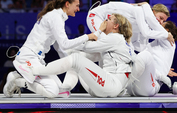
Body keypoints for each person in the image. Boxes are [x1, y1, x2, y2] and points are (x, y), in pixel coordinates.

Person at [5, 13, 136, 98]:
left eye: (109, 19)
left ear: (115, 25)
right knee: (78, 57)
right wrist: (63, 47)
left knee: (77, 58)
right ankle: (64, 89)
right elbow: (89, 54)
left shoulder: (115, 38)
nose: (105, 20)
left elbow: (86, 46)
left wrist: (97, 32)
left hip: (110, 86)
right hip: (103, 88)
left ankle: (32, 71)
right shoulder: (115, 42)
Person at [3, 0, 97, 98]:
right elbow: (65, 44)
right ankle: (17, 80)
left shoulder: (58, 17)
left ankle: (19, 75)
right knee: (52, 91)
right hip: (28, 58)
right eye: (77, 5)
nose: (78, 9)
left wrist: (71, 63)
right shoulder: (55, 17)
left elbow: (59, 47)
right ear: (67, 4)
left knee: (62, 93)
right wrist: (87, 37)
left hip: (38, 59)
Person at [87, 1, 174, 53]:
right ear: (153, 12)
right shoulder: (139, 11)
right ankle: (78, 47)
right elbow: (146, 33)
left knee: (111, 48)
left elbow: (139, 47)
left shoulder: (144, 25)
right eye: (161, 18)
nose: (161, 22)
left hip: (108, 24)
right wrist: (166, 35)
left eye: (163, 21)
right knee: (107, 43)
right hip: (95, 16)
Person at [126, 21, 177, 97]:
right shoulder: (150, 45)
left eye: (161, 25)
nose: (158, 24)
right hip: (134, 86)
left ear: (167, 30)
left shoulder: (170, 43)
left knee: (145, 56)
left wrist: (147, 19)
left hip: (151, 86)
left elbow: (154, 28)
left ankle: (127, 81)